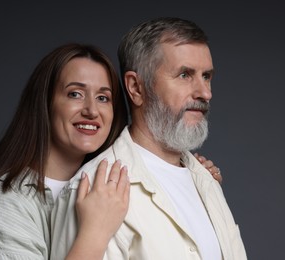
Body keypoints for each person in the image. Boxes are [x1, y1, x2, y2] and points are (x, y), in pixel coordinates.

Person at [0, 43, 221, 260]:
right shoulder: (9, 200)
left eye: (103, 98)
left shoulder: (109, 178)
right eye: (75, 94)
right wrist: (94, 232)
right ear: (45, 103)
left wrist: (188, 179)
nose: (91, 111)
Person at [51, 17, 246, 260]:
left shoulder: (206, 179)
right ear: (136, 88)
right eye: (185, 75)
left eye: (206, 76)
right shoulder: (90, 189)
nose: (205, 92)